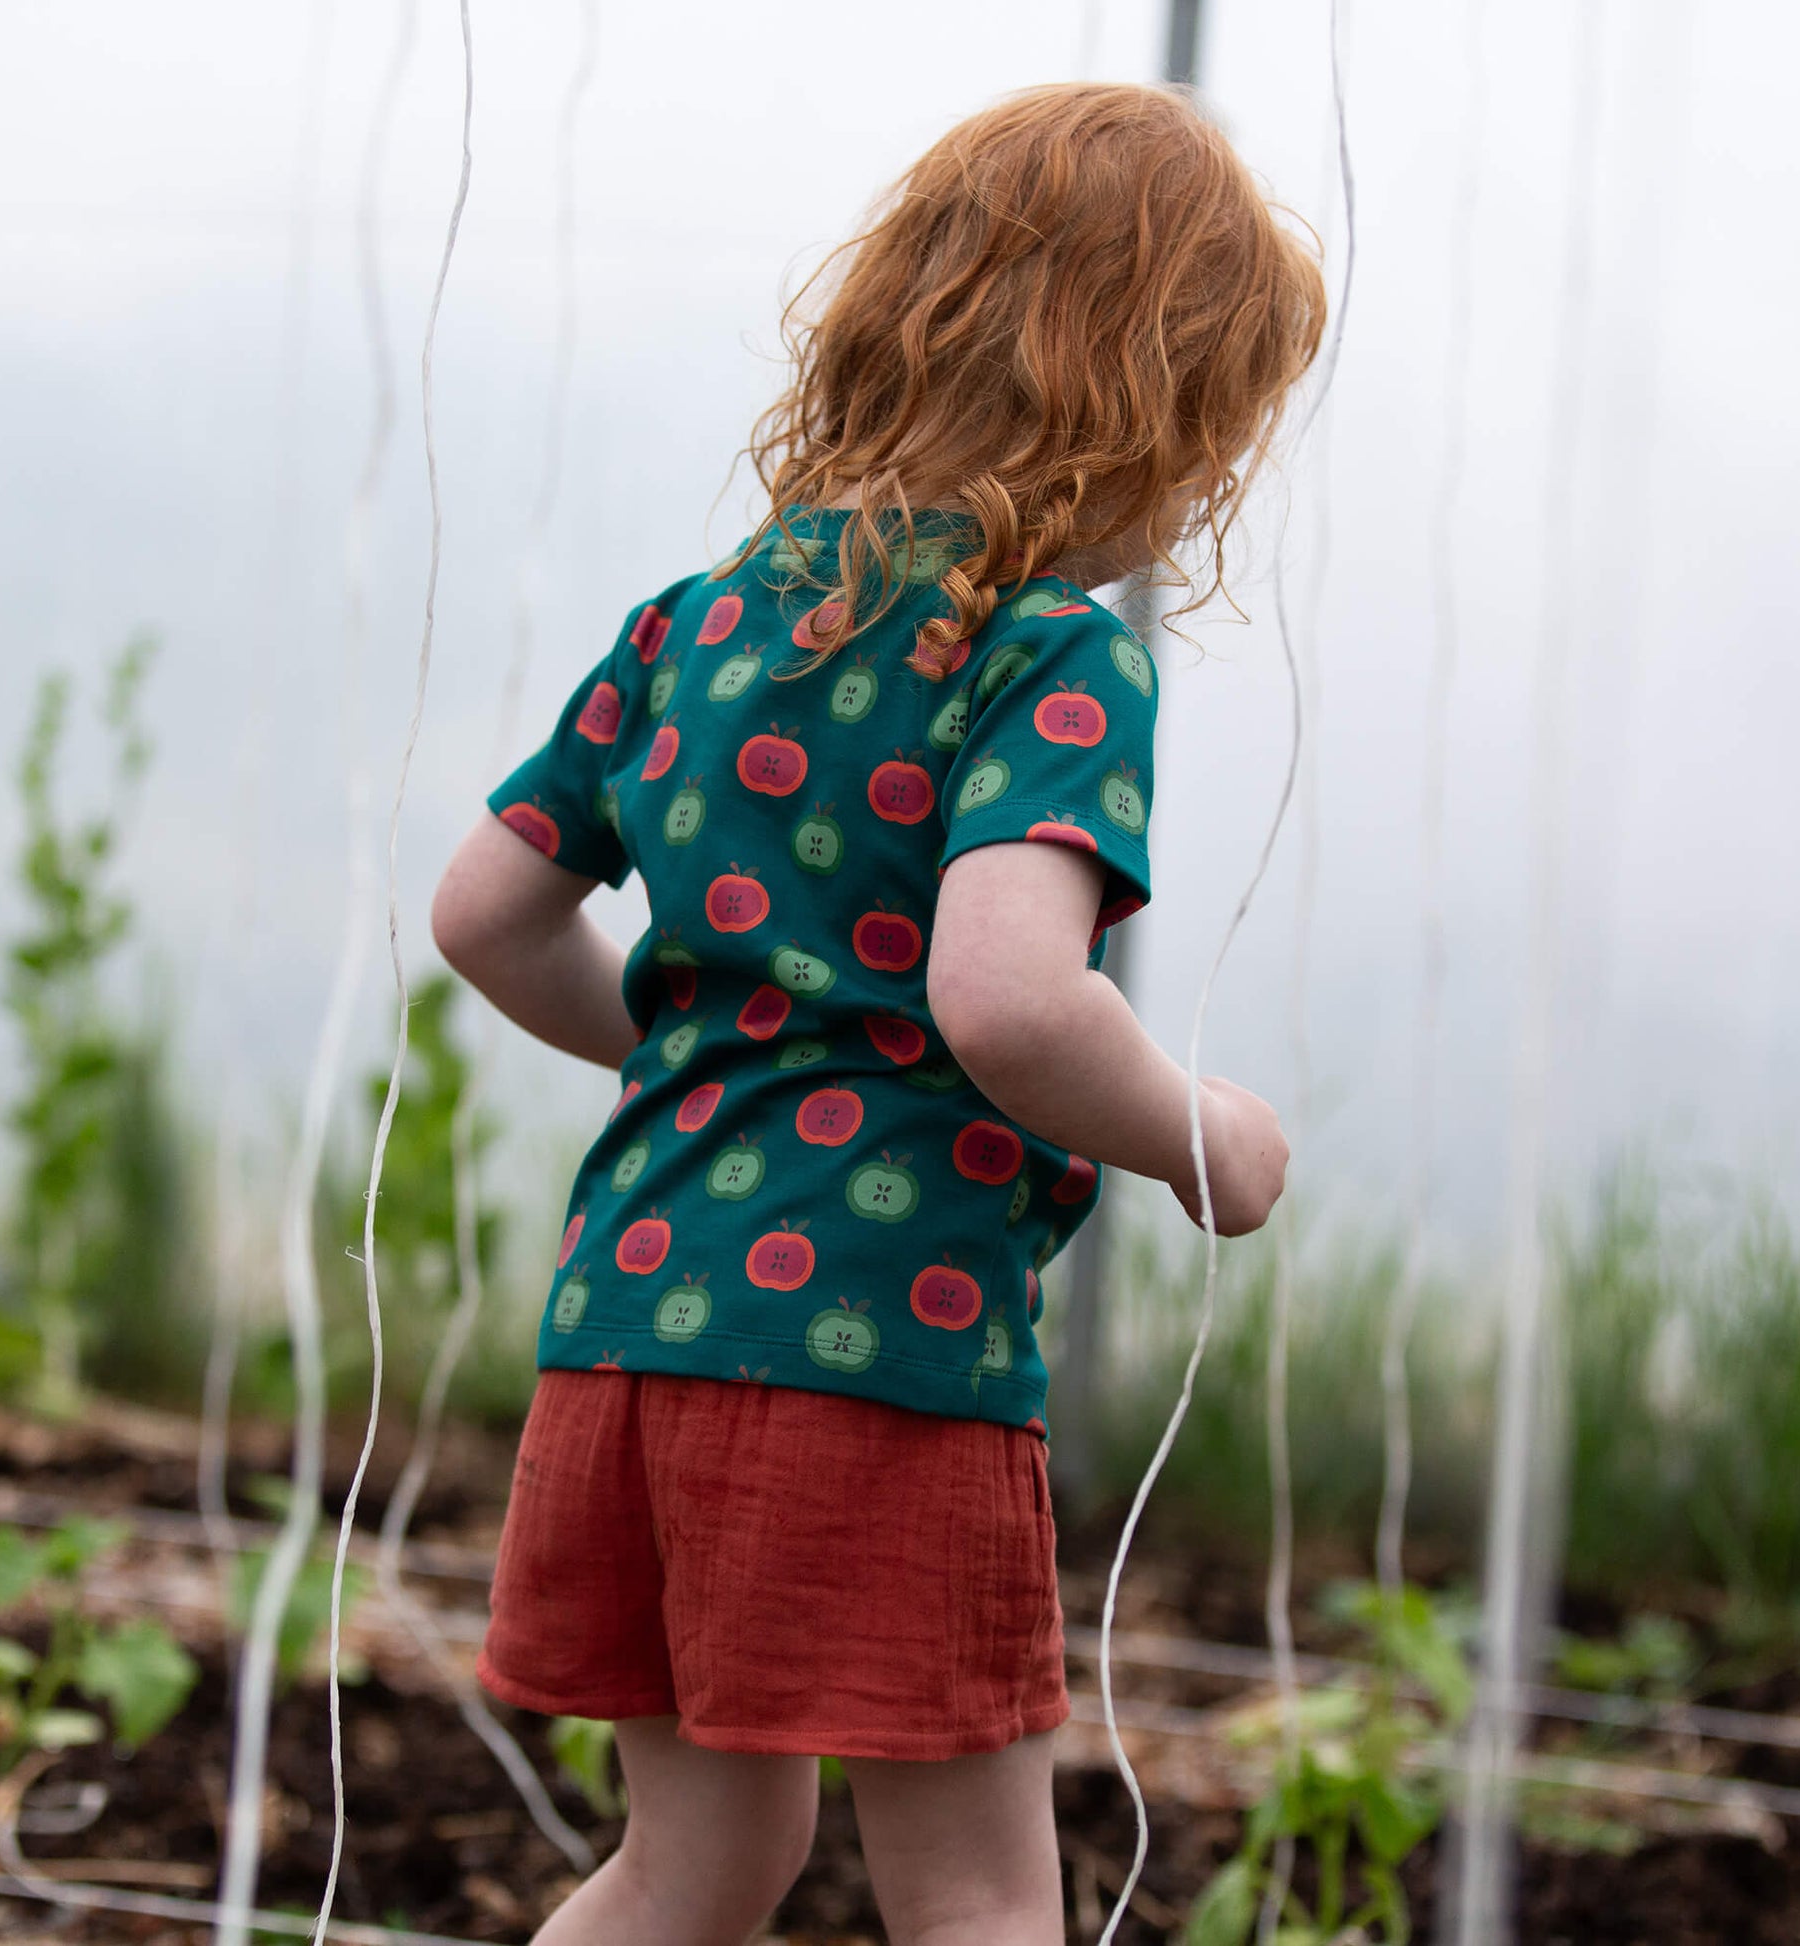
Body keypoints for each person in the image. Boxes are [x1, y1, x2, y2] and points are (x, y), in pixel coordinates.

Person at [432, 79, 1320, 1946]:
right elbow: (1004, 993)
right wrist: (1200, 1133)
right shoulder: (1045, 652)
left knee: (689, 1867)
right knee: (980, 1895)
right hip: (875, 1348)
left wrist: (700, 1055)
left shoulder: (695, 625)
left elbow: (485, 916)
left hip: (631, 1330)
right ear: (1157, 412)